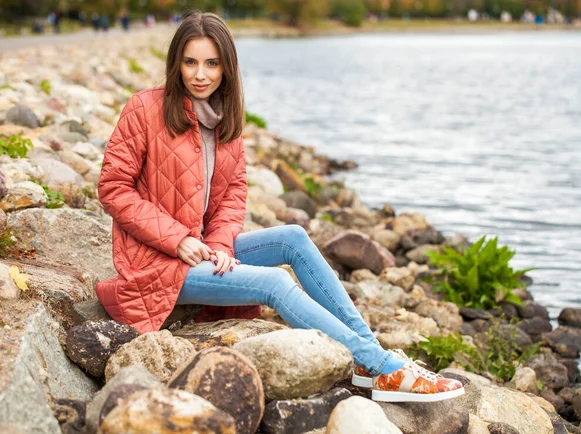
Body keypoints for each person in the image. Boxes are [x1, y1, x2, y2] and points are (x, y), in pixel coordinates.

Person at [96, 10, 464, 403]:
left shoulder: (225, 121)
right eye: (190, 62)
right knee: (274, 283)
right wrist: (177, 240)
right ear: (176, 63)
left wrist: (220, 245)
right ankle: (383, 368)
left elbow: (233, 194)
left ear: (226, 68)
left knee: (293, 238)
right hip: (158, 265)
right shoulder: (144, 108)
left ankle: (369, 359)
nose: (200, 74)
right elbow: (113, 188)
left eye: (211, 63)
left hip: (202, 251)